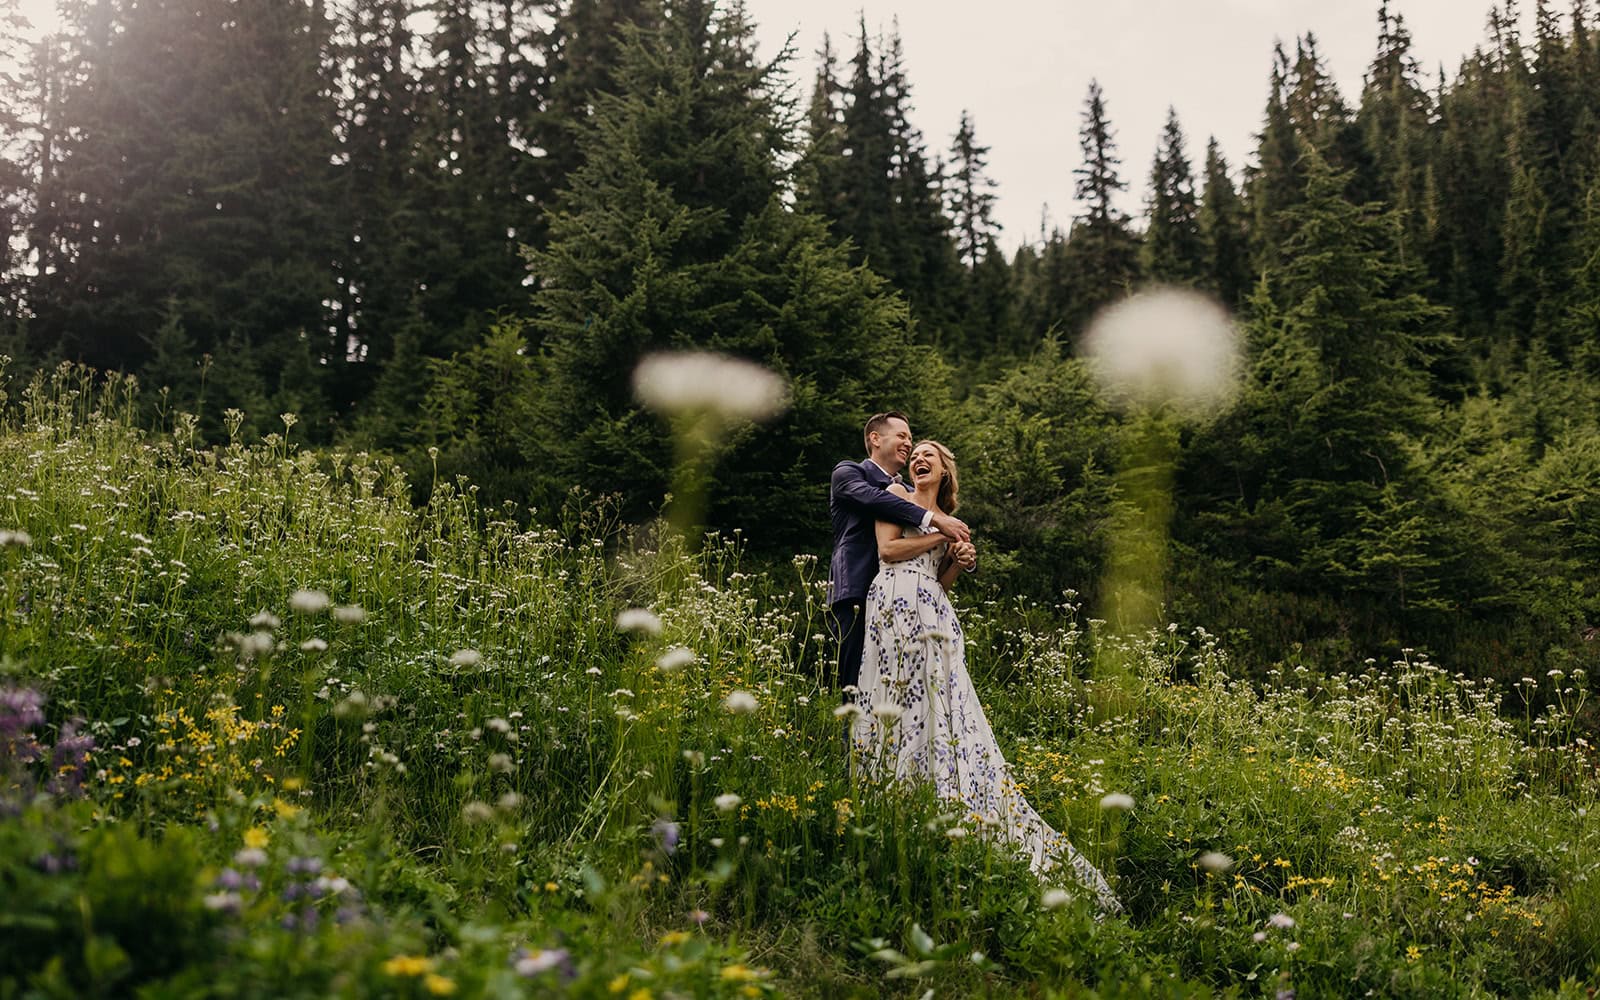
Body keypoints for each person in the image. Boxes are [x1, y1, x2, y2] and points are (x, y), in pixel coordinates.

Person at [850, 439, 1121, 913]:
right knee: (896, 702)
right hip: (894, 604)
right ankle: (892, 798)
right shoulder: (894, 497)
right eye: (915, 454)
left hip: (934, 611)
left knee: (942, 709)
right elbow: (889, 551)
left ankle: (944, 795)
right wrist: (940, 534)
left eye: (929, 455)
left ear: (945, 472)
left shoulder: (953, 522)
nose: (918, 458)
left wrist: (958, 559)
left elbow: (941, 579)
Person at [827, 412, 970, 691]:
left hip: (905, 596)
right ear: (876, 439)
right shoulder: (848, 473)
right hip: (857, 585)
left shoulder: (909, 492)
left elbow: (936, 540)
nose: (908, 443)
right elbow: (874, 498)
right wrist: (933, 520)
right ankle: (851, 735)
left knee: (904, 679)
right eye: (902, 436)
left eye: (911, 438)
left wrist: (959, 551)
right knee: (857, 680)